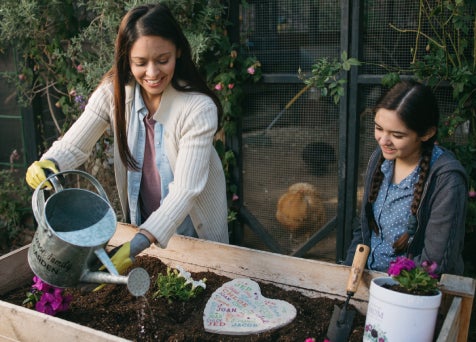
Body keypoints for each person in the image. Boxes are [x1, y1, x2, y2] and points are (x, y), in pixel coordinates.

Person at [25, 3, 229, 275]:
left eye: (162, 59)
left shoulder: (198, 109)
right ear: (127, 59)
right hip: (143, 235)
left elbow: (185, 190)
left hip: (196, 241)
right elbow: (74, 144)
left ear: (178, 51)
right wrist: (49, 164)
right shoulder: (115, 93)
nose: (153, 73)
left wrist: (134, 246)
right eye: (140, 63)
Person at [345, 80, 468, 275]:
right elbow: (363, 229)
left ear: (427, 133)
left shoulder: (446, 180)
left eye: (397, 135)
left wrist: (389, 287)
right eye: (378, 128)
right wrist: (348, 270)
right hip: (367, 279)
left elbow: (435, 263)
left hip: (409, 293)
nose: (383, 141)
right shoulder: (380, 159)